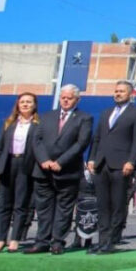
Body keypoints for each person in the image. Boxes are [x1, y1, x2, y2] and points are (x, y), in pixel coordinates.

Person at [26, 84, 93, 254]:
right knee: (43, 209)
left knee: (64, 209)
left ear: (77, 100)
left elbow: (81, 143)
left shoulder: (84, 118)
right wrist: (44, 160)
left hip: (67, 171)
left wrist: (61, 162)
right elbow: (37, 140)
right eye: (63, 97)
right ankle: (42, 241)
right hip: (43, 171)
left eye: (69, 98)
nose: (65, 100)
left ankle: (57, 242)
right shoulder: (46, 116)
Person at [87, 80, 136, 254]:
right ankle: (102, 240)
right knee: (102, 205)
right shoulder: (106, 113)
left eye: (121, 91)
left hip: (121, 165)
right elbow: (97, 138)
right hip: (102, 164)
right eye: (116, 91)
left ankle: (112, 240)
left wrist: (131, 161)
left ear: (130, 94)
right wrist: (92, 158)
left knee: (118, 204)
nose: (118, 94)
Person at [0, 93, 39, 253]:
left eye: (28, 102)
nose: (25, 104)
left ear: (34, 105)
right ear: (17, 105)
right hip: (8, 164)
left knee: (20, 204)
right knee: (4, 204)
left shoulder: (38, 124)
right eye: (22, 102)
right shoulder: (9, 123)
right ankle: (0, 239)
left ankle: (15, 239)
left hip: (25, 165)